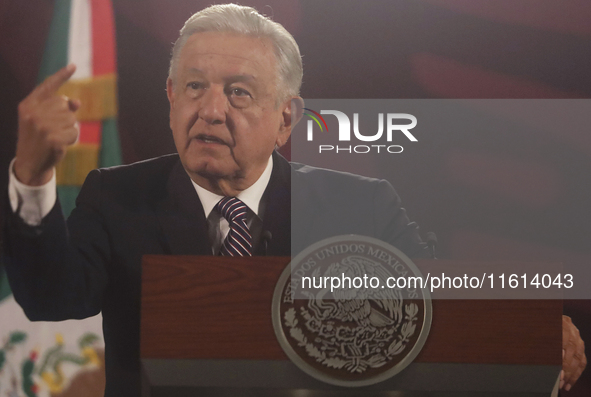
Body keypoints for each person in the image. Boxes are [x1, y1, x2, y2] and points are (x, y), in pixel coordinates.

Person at [3, 3, 585, 396]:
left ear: (286, 118)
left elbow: (437, 308)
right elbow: (52, 298)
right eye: (194, 87)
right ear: (170, 96)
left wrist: (530, 331)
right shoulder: (117, 197)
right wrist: (31, 177)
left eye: (238, 92)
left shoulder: (361, 207)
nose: (210, 109)